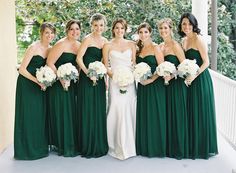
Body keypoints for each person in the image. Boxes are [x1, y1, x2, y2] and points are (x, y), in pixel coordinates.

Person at [178, 12, 218, 159]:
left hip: (200, 79)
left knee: (201, 111)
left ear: (194, 25)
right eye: (184, 24)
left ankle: (202, 148)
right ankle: (192, 146)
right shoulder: (183, 41)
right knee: (191, 111)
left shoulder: (198, 39)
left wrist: (194, 75)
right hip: (189, 80)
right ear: (181, 26)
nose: (186, 26)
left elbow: (206, 62)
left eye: (189, 23)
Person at [14, 22, 55, 160]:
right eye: (46, 33)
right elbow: (22, 70)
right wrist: (37, 81)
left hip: (40, 85)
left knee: (39, 115)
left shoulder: (51, 49)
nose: (49, 35)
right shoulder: (33, 47)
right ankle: (26, 150)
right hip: (27, 83)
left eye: (51, 33)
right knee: (28, 115)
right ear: (41, 34)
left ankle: (39, 147)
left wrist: (46, 81)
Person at [103, 18, 137, 160]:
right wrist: (116, 78)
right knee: (115, 108)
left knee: (129, 109)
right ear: (113, 29)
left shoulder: (132, 44)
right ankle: (114, 145)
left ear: (125, 29)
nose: (119, 30)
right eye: (117, 28)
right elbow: (106, 66)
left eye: (122, 28)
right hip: (114, 81)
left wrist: (129, 78)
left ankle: (130, 145)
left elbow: (134, 64)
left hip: (129, 82)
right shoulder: (107, 45)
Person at [46, 19, 81, 157]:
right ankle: (63, 144)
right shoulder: (61, 44)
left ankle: (72, 142)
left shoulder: (79, 45)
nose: (75, 32)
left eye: (77, 29)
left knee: (72, 113)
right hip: (59, 85)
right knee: (63, 112)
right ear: (67, 30)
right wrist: (61, 77)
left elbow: (79, 64)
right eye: (72, 29)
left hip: (72, 85)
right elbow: (50, 62)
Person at [76, 13, 108, 158]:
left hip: (99, 78)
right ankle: (86, 144)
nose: (98, 28)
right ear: (92, 25)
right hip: (86, 78)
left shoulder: (105, 41)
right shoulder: (87, 39)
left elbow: (104, 62)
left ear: (104, 26)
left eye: (101, 25)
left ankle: (98, 143)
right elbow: (79, 58)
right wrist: (88, 73)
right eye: (96, 25)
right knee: (87, 108)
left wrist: (104, 78)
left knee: (98, 109)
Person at [158, 18, 188, 159]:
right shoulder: (161, 46)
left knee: (177, 114)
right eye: (161, 28)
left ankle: (179, 149)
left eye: (165, 28)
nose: (163, 31)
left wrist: (172, 75)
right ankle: (169, 148)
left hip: (176, 84)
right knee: (168, 115)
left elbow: (184, 67)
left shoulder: (176, 45)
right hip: (165, 86)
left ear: (170, 29)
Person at [135, 22, 166, 157]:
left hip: (155, 84)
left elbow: (162, 68)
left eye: (145, 32)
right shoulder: (138, 49)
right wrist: (140, 78)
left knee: (155, 113)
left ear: (150, 33)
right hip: (142, 85)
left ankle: (156, 147)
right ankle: (144, 147)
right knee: (145, 113)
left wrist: (151, 79)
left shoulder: (155, 48)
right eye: (141, 32)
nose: (143, 35)